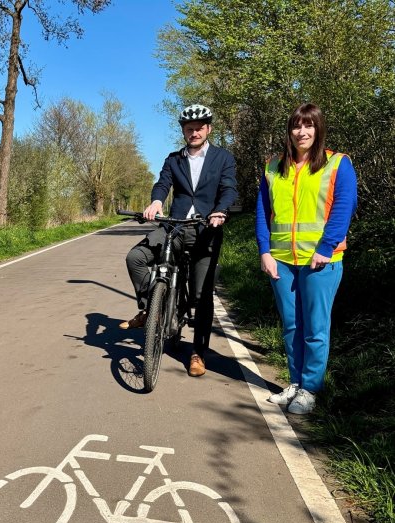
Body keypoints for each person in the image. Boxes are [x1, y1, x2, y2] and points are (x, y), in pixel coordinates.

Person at [122, 104, 238, 377]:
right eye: (189, 129)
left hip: (205, 229)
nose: (194, 132)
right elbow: (163, 183)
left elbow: (229, 188)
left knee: (201, 295)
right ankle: (151, 308)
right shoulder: (174, 159)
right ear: (183, 131)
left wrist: (220, 210)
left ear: (208, 129)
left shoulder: (223, 158)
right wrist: (156, 201)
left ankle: (198, 352)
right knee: (136, 258)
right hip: (174, 226)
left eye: (199, 128)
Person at [256, 103, 357, 415]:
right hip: (281, 259)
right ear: (289, 131)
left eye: (309, 126)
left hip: (321, 261)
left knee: (315, 326)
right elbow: (262, 210)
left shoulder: (337, 163)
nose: (302, 132)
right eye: (297, 126)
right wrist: (265, 251)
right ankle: (296, 382)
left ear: (318, 129)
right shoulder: (273, 166)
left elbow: (344, 205)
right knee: (291, 325)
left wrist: (326, 247)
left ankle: (311, 389)